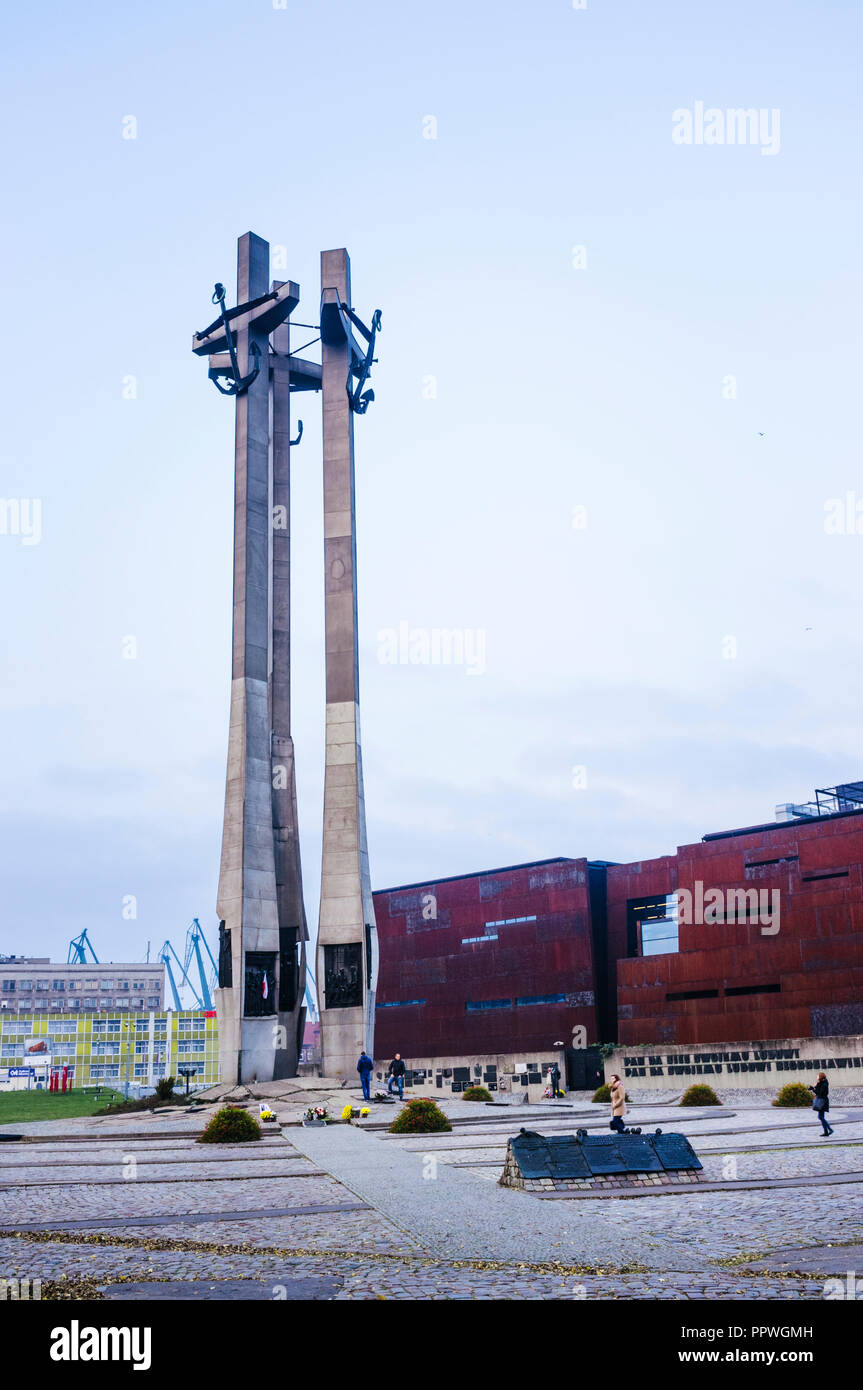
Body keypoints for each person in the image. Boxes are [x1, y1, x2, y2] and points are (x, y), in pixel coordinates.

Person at [809, 1071, 833, 1137]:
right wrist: (813, 1088)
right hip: (822, 1101)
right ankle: (826, 1132)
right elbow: (818, 1091)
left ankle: (830, 1129)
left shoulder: (824, 1084)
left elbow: (820, 1093)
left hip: (822, 1102)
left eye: (818, 1076)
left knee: (820, 1117)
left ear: (820, 1077)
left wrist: (813, 1089)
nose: (817, 1077)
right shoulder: (821, 1083)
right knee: (821, 1117)